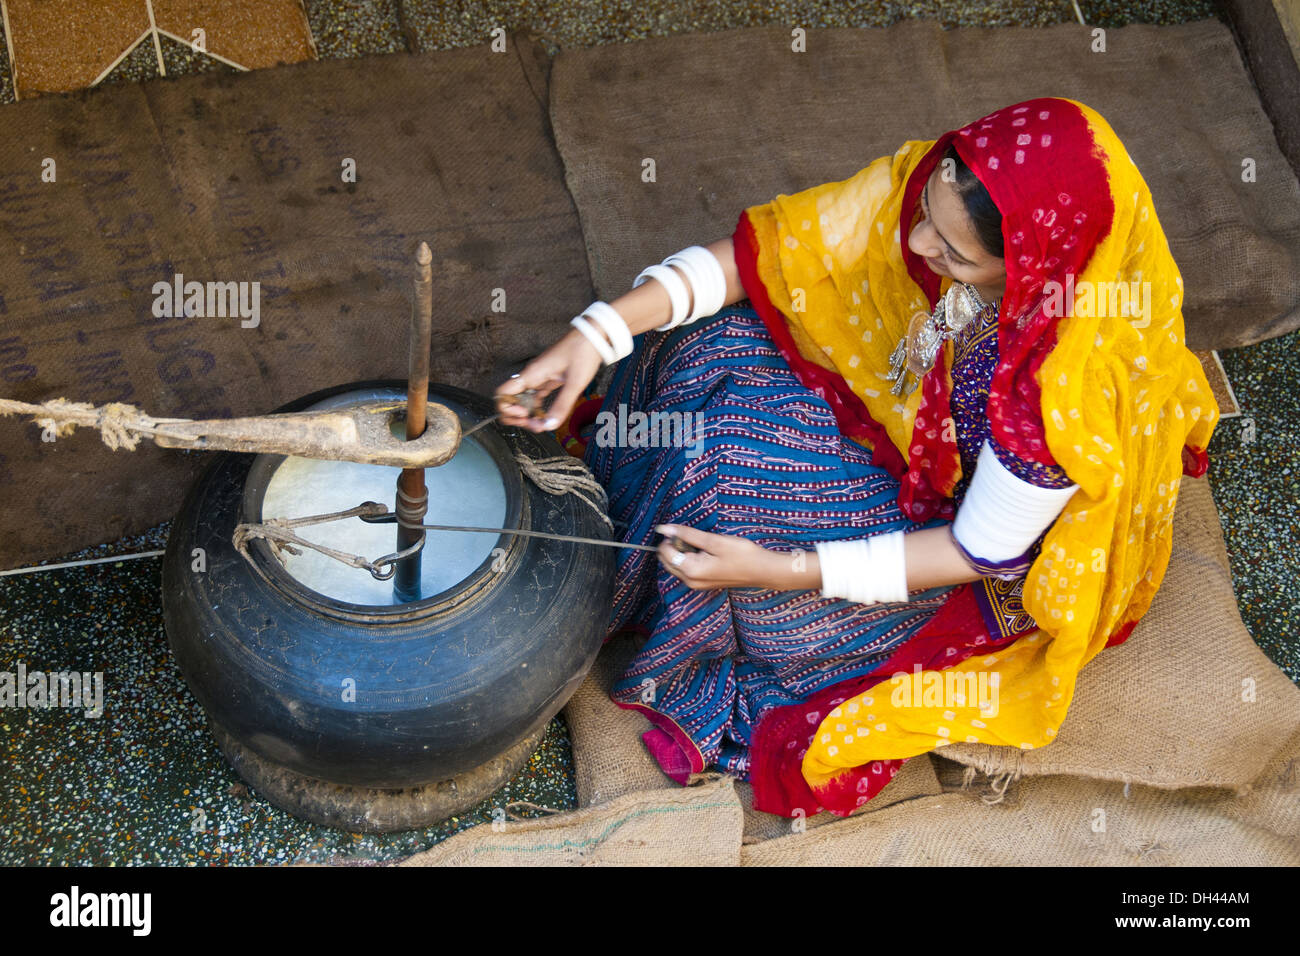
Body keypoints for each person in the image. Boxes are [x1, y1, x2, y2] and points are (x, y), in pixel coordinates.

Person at [495, 97, 1219, 817]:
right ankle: (650, 553)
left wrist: (780, 570)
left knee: (757, 575)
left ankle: (679, 585)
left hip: (960, 546)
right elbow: (767, 257)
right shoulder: (931, 191)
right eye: (928, 215)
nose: (921, 243)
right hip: (901, 412)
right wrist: (593, 335)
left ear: (1029, 266)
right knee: (690, 347)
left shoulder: (1062, 394)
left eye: (955, 253)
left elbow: (976, 550)